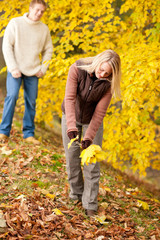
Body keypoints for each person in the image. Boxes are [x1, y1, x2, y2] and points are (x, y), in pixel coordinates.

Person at [61, 49, 121, 216]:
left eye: (107, 73)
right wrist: (71, 126)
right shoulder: (78, 68)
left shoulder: (108, 83)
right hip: (70, 116)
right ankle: (76, 196)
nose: (102, 75)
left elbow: (99, 113)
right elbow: (70, 98)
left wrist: (88, 137)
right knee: (72, 159)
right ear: (96, 62)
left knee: (92, 164)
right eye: (101, 69)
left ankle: (90, 204)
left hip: (92, 122)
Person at [0, 0, 53, 144]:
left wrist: (43, 68)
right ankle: (3, 132)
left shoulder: (44, 29)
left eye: (42, 11)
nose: (39, 13)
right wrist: (12, 67)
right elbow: (6, 46)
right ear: (30, 8)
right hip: (15, 68)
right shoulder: (15, 23)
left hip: (33, 71)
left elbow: (48, 50)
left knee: (31, 101)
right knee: (12, 96)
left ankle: (29, 134)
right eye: (37, 10)